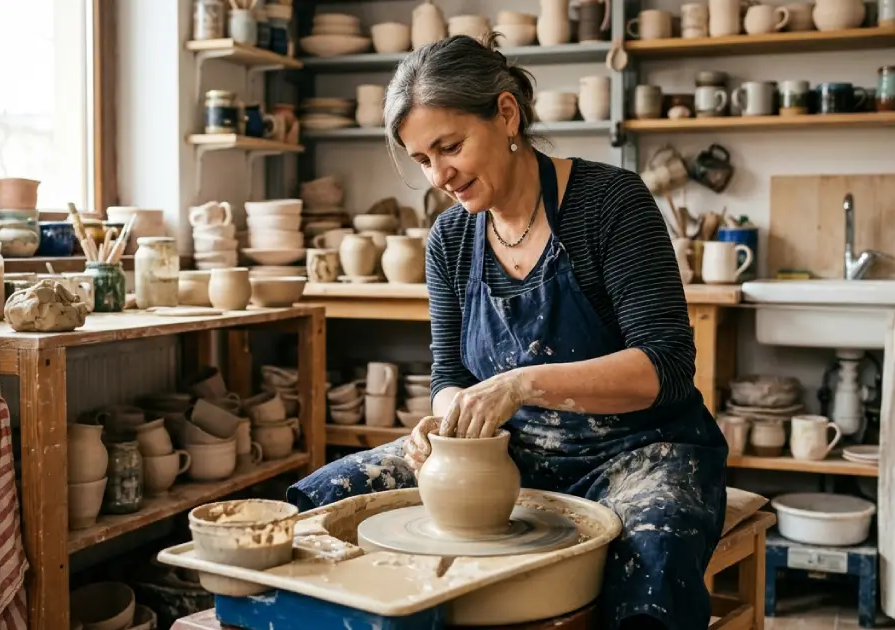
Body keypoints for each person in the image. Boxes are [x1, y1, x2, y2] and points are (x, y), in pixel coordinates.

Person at [288, 34, 728, 630]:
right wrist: (445, 418)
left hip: (641, 453)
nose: (439, 174)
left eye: (450, 147)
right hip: (510, 455)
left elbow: (668, 367)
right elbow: (451, 376)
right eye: (422, 159)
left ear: (506, 113)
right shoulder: (448, 242)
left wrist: (521, 384)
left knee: (648, 570)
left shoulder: (610, 202)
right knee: (315, 503)